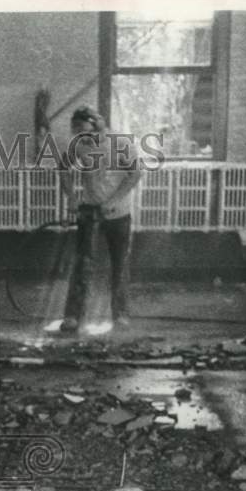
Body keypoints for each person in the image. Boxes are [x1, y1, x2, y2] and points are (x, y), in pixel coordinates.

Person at [59, 106, 143, 331]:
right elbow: (63, 169)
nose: (80, 135)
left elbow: (135, 173)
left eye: (83, 129)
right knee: (83, 263)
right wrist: (71, 198)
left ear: (96, 124)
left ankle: (121, 314)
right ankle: (73, 316)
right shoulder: (79, 145)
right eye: (76, 131)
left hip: (119, 214)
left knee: (120, 263)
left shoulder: (120, 144)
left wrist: (114, 201)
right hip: (89, 210)